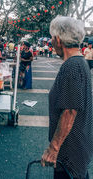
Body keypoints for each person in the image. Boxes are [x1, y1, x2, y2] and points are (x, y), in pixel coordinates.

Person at [41, 16, 93, 179]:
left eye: (51, 38)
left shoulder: (72, 66)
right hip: (78, 145)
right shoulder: (80, 63)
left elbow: (70, 110)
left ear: (58, 39)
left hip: (71, 149)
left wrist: (53, 148)